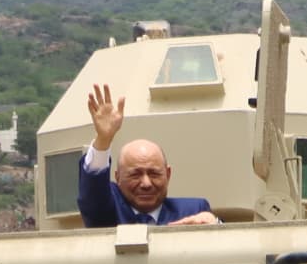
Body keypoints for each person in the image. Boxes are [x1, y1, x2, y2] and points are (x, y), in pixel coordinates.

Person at [76, 85, 217, 228]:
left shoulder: (193, 211)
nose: (146, 184)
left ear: (167, 174)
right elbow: (92, 192)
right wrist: (103, 139)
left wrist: (216, 224)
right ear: (118, 178)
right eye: (135, 175)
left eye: (154, 173)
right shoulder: (107, 208)